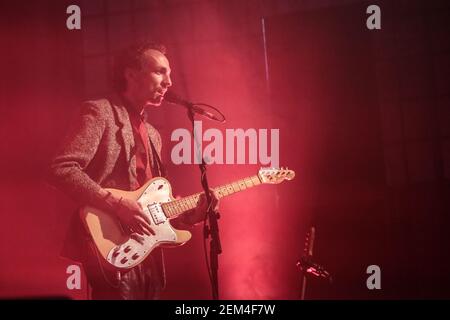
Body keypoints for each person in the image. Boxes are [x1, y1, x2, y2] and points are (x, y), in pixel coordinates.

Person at [47, 42, 218, 300]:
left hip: (147, 252)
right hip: (110, 243)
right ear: (130, 74)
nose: (169, 82)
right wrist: (116, 205)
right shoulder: (99, 112)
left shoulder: (152, 135)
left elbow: (154, 208)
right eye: (160, 72)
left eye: (169, 74)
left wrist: (191, 215)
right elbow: (61, 168)